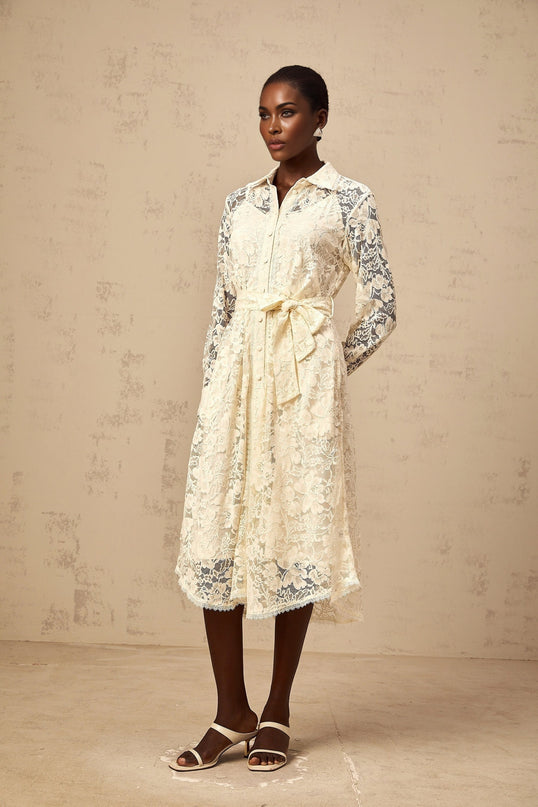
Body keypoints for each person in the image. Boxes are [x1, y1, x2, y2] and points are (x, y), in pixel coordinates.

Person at [170, 65, 397, 773]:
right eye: (264, 114)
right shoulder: (239, 204)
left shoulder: (349, 199)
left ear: (320, 117)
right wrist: (214, 393)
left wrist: (329, 369)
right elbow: (222, 309)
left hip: (302, 393)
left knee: (294, 531)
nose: (274, 127)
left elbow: (382, 303)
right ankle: (228, 709)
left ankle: (277, 708)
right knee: (220, 530)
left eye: (289, 113)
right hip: (234, 389)